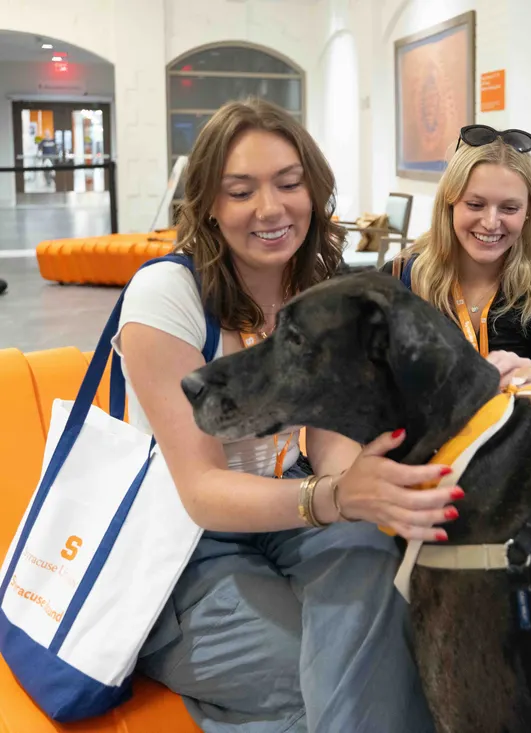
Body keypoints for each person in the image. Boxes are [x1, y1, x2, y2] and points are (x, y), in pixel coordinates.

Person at [113, 98, 451, 732]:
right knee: (306, 685)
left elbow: (328, 441)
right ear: (209, 204)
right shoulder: (168, 295)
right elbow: (203, 491)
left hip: (291, 503)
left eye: (289, 183)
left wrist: (362, 482)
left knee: (402, 622)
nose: (270, 209)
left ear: (314, 191)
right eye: (241, 191)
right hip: (184, 542)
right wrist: (333, 498)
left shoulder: (313, 288)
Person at [382, 124, 531, 419]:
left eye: (509, 208)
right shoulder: (401, 278)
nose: (490, 222)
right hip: (414, 460)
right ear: (449, 204)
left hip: (512, 458)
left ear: (529, 212)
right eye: (475, 204)